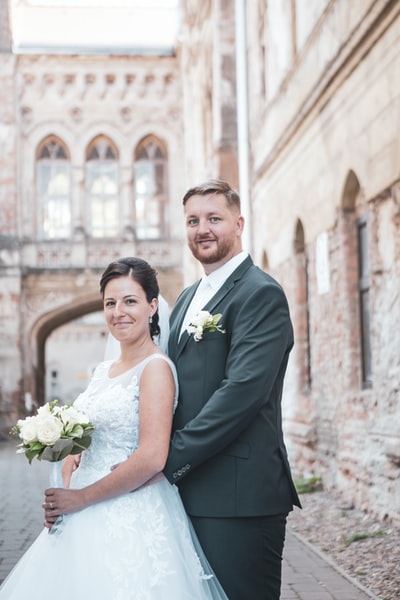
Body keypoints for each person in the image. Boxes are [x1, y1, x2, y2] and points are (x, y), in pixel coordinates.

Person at [0, 257, 229, 600]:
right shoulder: (103, 370)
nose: (118, 311)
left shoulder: (155, 369)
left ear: (152, 306)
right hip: (79, 511)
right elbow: (81, 439)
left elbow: (152, 456)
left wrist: (79, 498)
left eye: (130, 301)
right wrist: (66, 473)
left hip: (128, 511)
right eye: (110, 303)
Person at [162, 179, 301, 600]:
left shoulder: (260, 294)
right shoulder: (187, 298)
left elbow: (241, 393)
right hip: (189, 491)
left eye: (214, 219)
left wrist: (168, 459)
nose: (202, 229)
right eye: (193, 220)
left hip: (239, 496)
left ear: (238, 224)